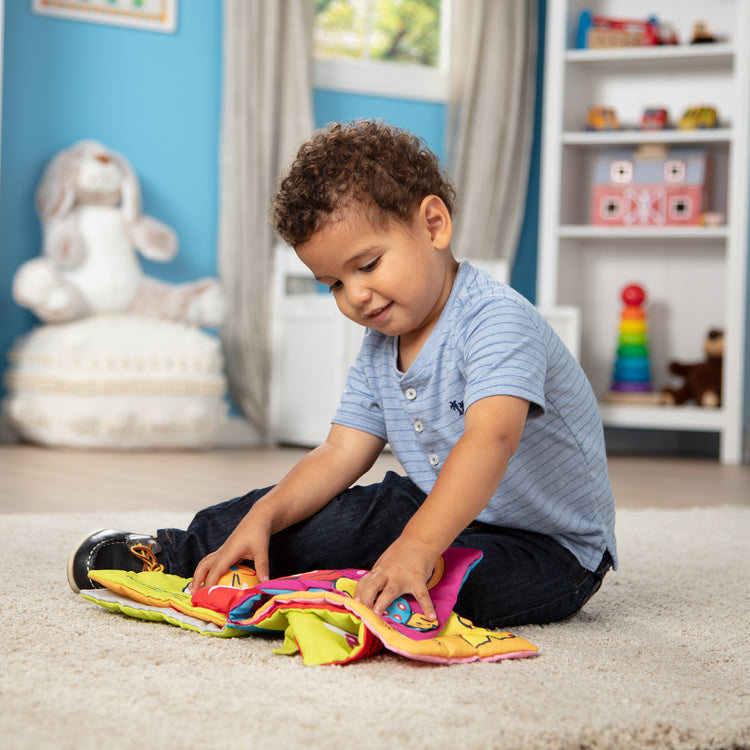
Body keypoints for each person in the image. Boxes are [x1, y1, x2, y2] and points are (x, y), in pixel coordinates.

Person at [68, 120, 617, 629]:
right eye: (332, 283)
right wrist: (265, 515)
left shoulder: (496, 319)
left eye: (368, 265)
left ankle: (325, 589)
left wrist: (418, 547)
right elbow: (337, 454)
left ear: (433, 224)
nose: (355, 295)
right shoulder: (382, 343)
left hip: (551, 549)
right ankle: (180, 554)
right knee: (341, 516)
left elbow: (491, 437)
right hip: (435, 506)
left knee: (440, 585)